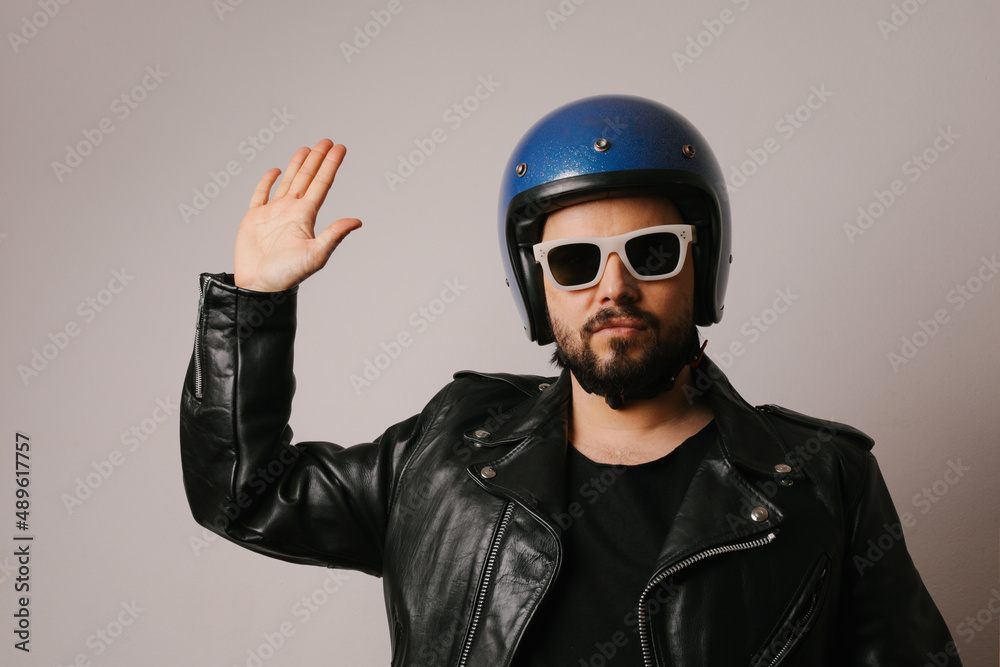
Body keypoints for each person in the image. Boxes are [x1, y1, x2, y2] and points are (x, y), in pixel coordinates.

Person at [180, 96, 960, 666]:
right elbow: (242, 493)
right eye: (576, 261)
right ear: (537, 286)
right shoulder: (447, 450)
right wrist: (254, 303)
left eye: (651, 252)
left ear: (700, 265)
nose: (613, 288)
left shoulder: (824, 480)